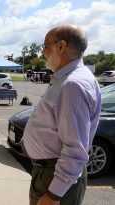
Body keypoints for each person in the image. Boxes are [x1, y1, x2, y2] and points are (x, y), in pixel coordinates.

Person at [23, 25, 101, 205]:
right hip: (49, 173)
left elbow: (75, 150)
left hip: (54, 177)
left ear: (61, 46)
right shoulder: (67, 79)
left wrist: (53, 196)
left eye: (45, 45)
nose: (42, 51)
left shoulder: (72, 85)